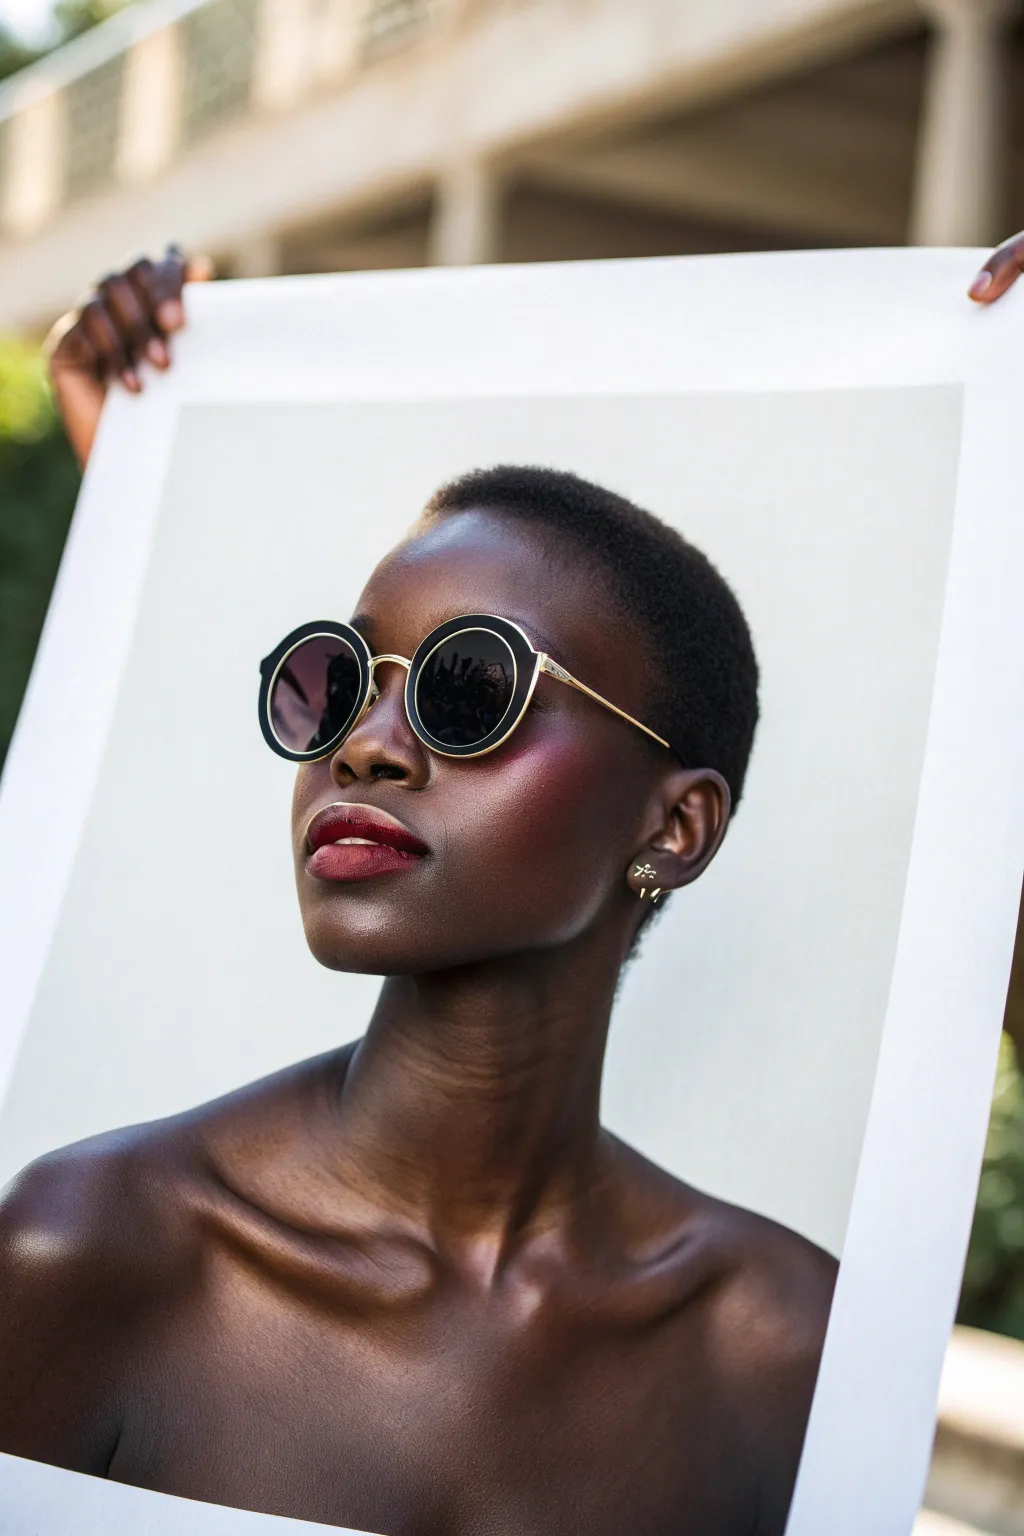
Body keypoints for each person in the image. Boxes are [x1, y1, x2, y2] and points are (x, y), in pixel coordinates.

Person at [1, 229, 1019, 1536]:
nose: (365, 744)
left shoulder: (784, 1351)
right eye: (333, 682)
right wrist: (156, 452)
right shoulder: (91, 1253)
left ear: (679, 826)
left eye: (468, 688)